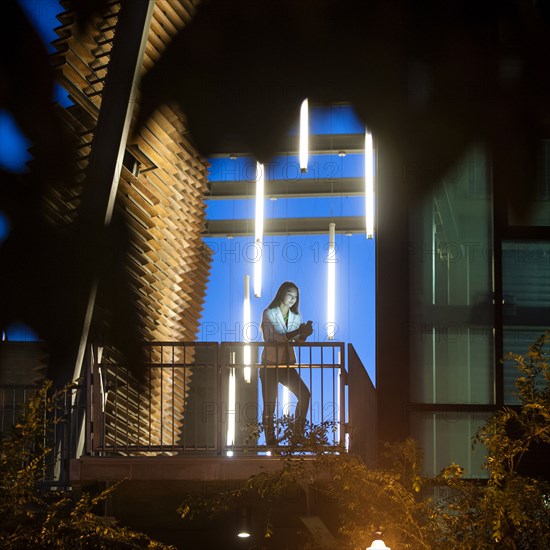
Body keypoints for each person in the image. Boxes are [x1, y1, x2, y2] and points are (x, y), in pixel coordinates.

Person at [260, 281, 313, 445]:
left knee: (304, 394)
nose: (293, 299)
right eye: (289, 294)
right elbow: (275, 337)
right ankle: (270, 440)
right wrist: (298, 331)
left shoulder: (296, 317)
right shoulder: (268, 313)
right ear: (281, 294)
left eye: (295, 296)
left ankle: (297, 434)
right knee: (270, 404)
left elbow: (297, 341)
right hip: (269, 364)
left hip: (286, 365)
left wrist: (304, 335)